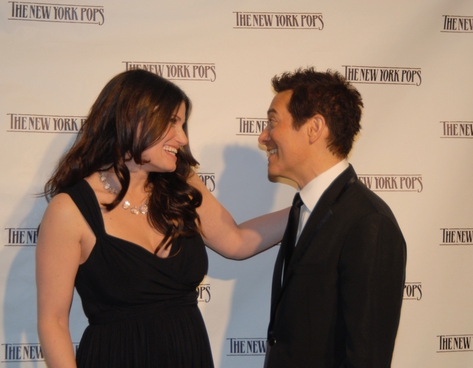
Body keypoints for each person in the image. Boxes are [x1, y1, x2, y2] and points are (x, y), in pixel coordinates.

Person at [36, 69, 288, 368]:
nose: (182, 138)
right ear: (132, 119)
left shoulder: (183, 186)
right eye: (172, 122)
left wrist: (308, 206)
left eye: (183, 125)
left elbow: (236, 242)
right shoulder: (71, 210)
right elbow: (53, 322)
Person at [258, 67, 406, 368]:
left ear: (314, 128)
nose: (263, 136)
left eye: (273, 122)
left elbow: (367, 358)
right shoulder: (303, 210)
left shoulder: (368, 223)